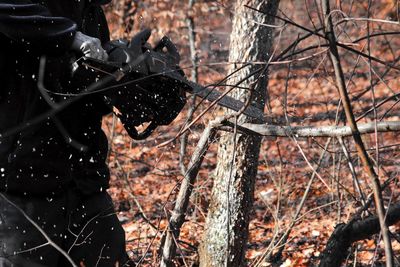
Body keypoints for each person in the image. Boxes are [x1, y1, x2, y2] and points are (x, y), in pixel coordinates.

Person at [0, 1, 159, 266]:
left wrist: (122, 82)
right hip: (21, 190)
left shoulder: (90, 11)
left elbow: (82, 94)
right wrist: (69, 36)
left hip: (85, 184)